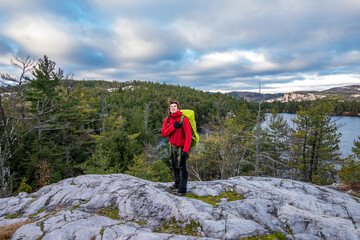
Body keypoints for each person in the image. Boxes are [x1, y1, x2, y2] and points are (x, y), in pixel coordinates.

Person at [161, 100, 192, 196]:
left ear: (178, 108)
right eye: (171, 107)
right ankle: (177, 183)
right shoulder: (168, 120)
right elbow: (163, 133)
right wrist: (173, 127)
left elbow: (188, 136)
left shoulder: (184, 119)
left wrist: (185, 151)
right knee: (175, 166)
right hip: (172, 146)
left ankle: (182, 189)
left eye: (174, 106)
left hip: (181, 147)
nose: (173, 108)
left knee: (182, 168)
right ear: (169, 109)